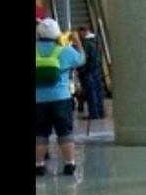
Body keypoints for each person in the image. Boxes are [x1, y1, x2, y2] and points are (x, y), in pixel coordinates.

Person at [36, 18, 85, 176]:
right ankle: (69, 164)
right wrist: (77, 42)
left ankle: (39, 164)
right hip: (61, 98)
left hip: (38, 100)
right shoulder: (64, 50)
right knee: (65, 132)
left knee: (40, 133)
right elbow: (81, 60)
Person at [76, 26, 105, 121]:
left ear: (84, 31)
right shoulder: (96, 41)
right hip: (96, 70)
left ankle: (94, 114)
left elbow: (83, 58)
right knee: (98, 92)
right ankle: (101, 112)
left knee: (91, 93)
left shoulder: (86, 43)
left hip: (88, 71)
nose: (79, 35)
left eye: (80, 33)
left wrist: (80, 69)